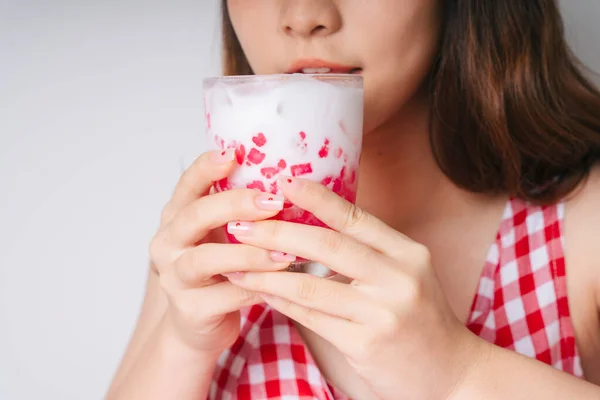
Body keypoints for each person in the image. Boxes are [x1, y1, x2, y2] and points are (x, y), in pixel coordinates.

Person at [106, 1, 600, 399]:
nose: (303, 16)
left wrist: (458, 375)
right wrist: (182, 344)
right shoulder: (210, 238)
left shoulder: (583, 225)